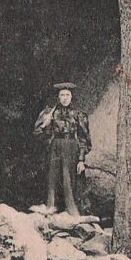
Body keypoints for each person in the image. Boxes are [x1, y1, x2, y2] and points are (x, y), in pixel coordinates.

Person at [33, 83, 91, 216]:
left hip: (72, 147)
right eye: (62, 95)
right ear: (58, 97)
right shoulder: (50, 113)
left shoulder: (78, 114)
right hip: (55, 147)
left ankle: (73, 212)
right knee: (52, 178)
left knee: (69, 179)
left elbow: (84, 139)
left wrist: (81, 159)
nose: (65, 98)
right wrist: (44, 125)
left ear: (72, 97)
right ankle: (50, 208)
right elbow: (37, 133)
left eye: (67, 95)